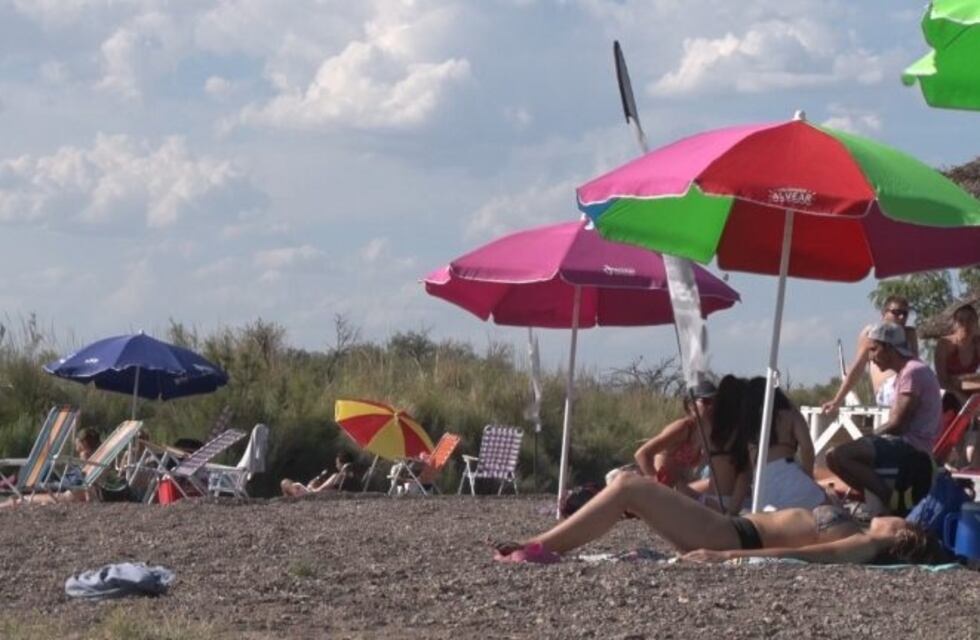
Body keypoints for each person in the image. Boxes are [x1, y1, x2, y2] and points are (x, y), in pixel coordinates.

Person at [492, 472, 948, 565]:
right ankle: (539, 544)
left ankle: (539, 545)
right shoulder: (862, 526)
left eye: (903, 522)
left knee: (630, 487)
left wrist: (721, 555)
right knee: (629, 484)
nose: (897, 516)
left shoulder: (865, 543)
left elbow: (812, 552)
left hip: (732, 535)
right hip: (730, 525)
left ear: (901, 538)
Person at [825, 322, 941, 516]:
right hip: (908, 444)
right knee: (832, 457)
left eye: (873, 350)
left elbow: (898, 424)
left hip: (912, 449)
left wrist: (868, 437)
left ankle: (890, 501)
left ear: (887, 347)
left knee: (840, 455)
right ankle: (879, 499)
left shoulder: (912, 373)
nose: (871, 357)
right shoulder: (909, 372)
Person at [822, 296, 919, 414]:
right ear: (884, 313)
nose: (901, 317)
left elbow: (917, 368)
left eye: (905, 313)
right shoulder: (872, 333)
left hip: (909, 385)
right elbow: (857, 369)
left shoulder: (909, 334)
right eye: (896, 312)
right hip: (888, 389)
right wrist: (837, 400)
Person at [742, 377, 827, 510]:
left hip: (762, 486)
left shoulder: (747, 422)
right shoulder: (790, 414)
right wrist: (808, 475)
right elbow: (807, 448)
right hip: (789, 472)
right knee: (831, 508)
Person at [632, 379, 716, 489]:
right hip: (662, 488)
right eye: (706, 401)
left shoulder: (706, 431)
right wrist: (657, 486)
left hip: (677, 488)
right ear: (691, 405)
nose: (712, 406)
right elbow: (642, 454)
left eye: (716, 401)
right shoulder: (682, 428)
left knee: (716, 485)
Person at [0, 428, 103, 508]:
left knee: (32, 476)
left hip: (63, 486)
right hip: (64, 483)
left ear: (84, 443)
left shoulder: (86, 457)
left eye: (78, 442)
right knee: (40, 471)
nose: (76, 445)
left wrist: (88, 495)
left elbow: (85, 485)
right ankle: (7, 484)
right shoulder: (95, 458)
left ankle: (6, 485)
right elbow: (88, 483)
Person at [281, 452, 354, 497]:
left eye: (337, 463)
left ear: (341, 464)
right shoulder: (353, 477)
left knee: (297, 485)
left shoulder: (336, 476)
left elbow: (317, 491)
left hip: (324, 497)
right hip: (333, 496)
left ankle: (290, 492)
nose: (336, 465)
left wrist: (310, 487)